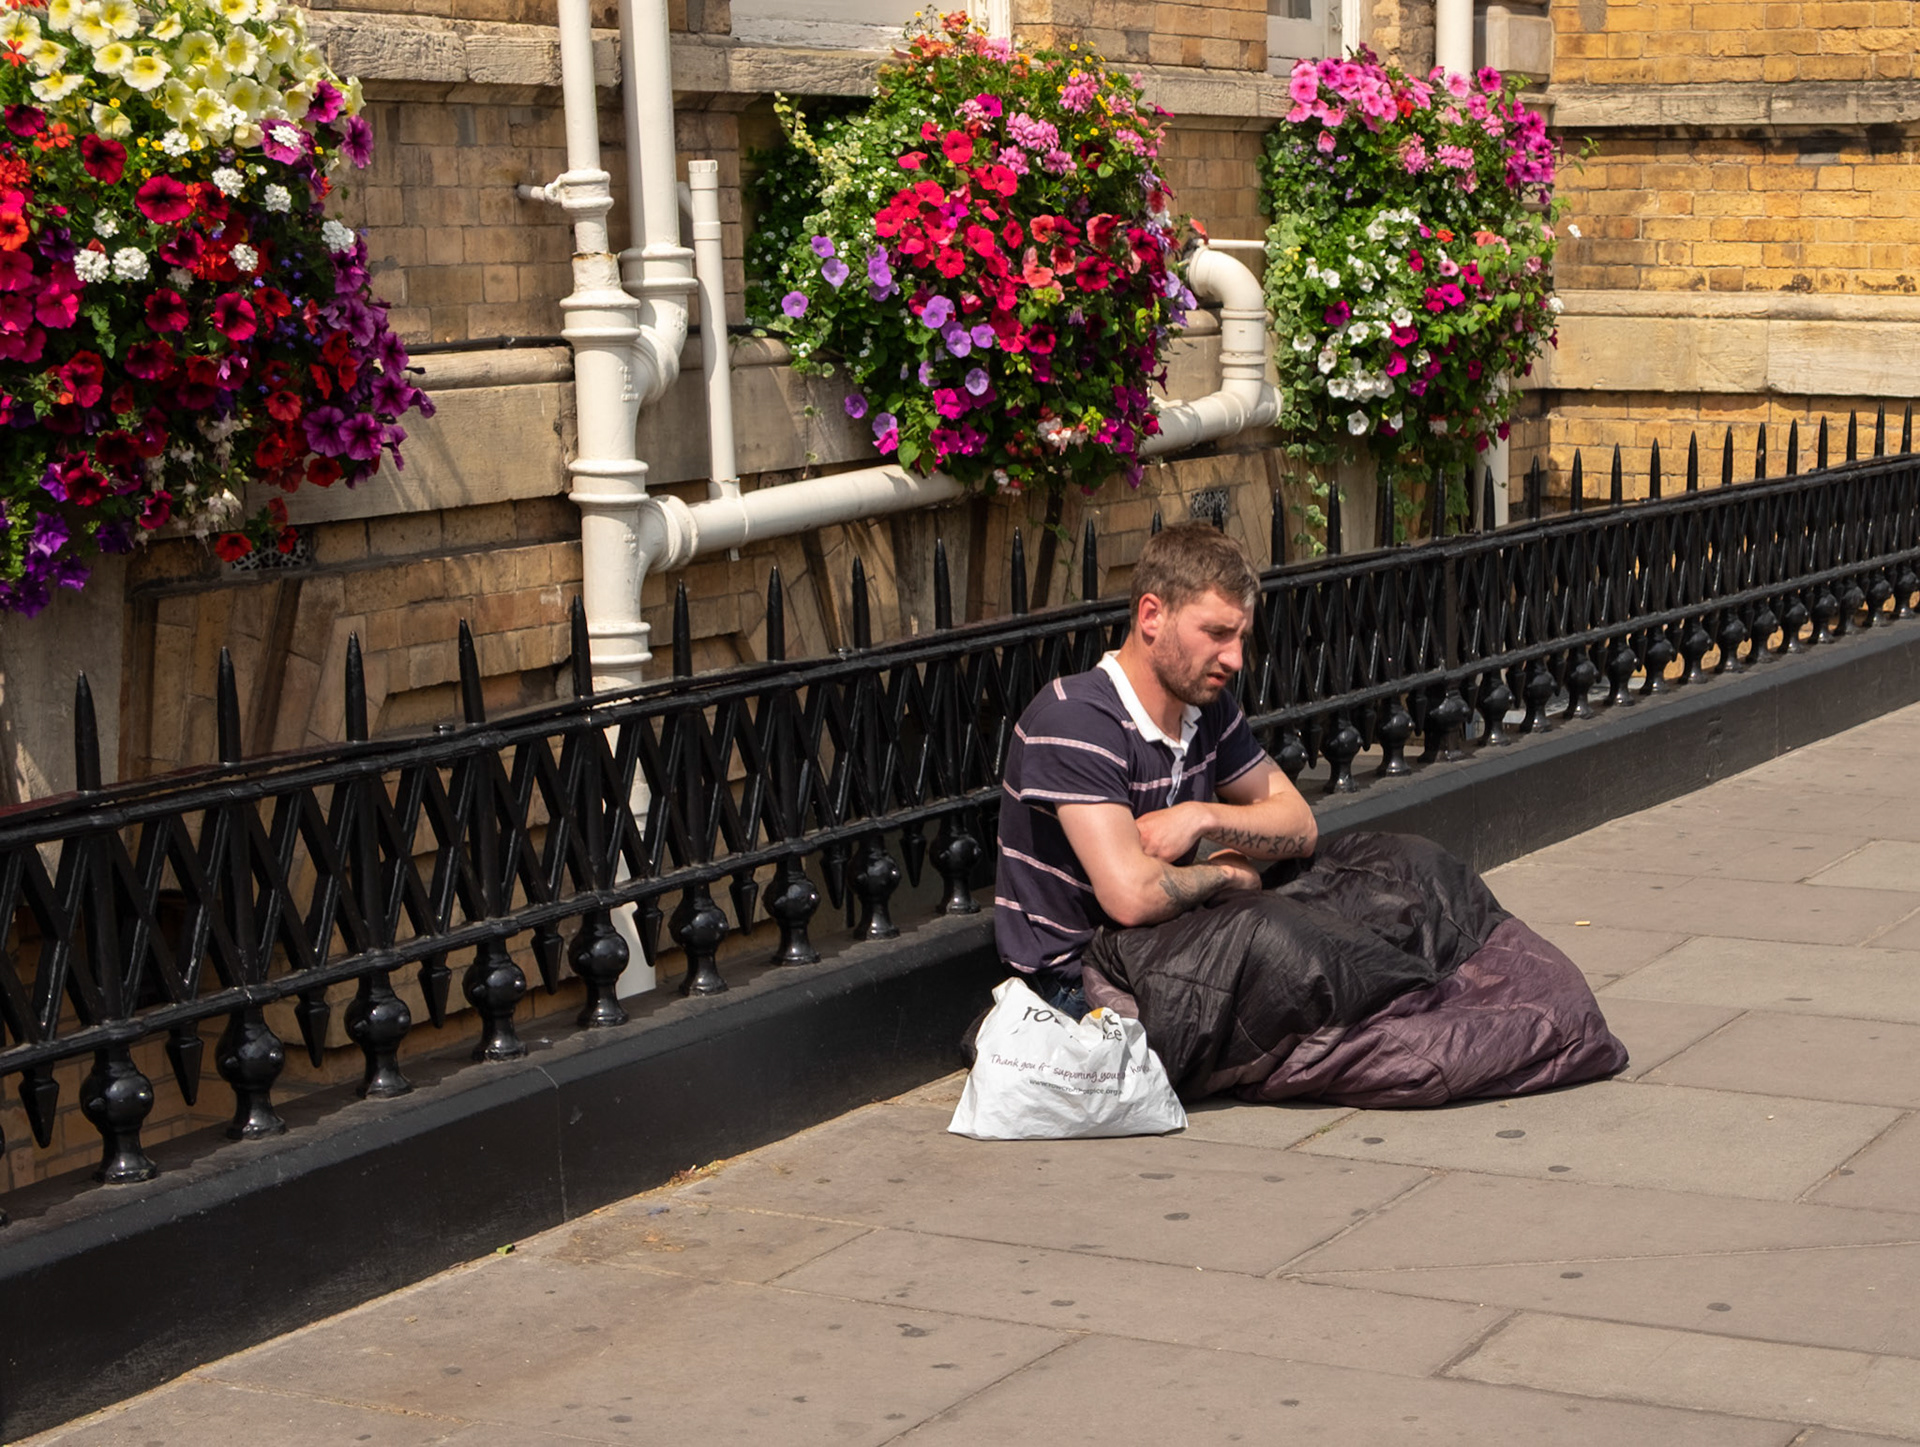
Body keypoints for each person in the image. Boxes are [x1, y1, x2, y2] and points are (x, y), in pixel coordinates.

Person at [994, 521, 1317, 1018]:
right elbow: (1131, 895)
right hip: (1079, 990)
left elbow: (1300, 825)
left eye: (1241, 637)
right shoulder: (1075, 719)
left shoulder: (1207, 708)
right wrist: (1226, 874)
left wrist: (1200, 817)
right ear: (1151, 616)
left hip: (1168, 955)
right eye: (1216, 633)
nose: (1235, 658)